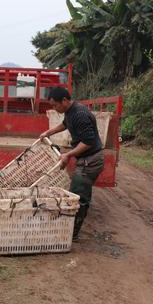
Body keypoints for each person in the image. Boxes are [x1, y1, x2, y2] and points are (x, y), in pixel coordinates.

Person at [40, 87, 104, 241]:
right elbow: (65, 124)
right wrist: (48, 132)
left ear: (65, 100)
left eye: (55, 105)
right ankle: (69, 230)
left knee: (79, 197)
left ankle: (71, 234)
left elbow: (88, 142)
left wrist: (68, 154)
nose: (55, 109)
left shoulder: (80, 114)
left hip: (91, 160)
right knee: (76, 193)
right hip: (85, 158)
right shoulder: (70, 112)